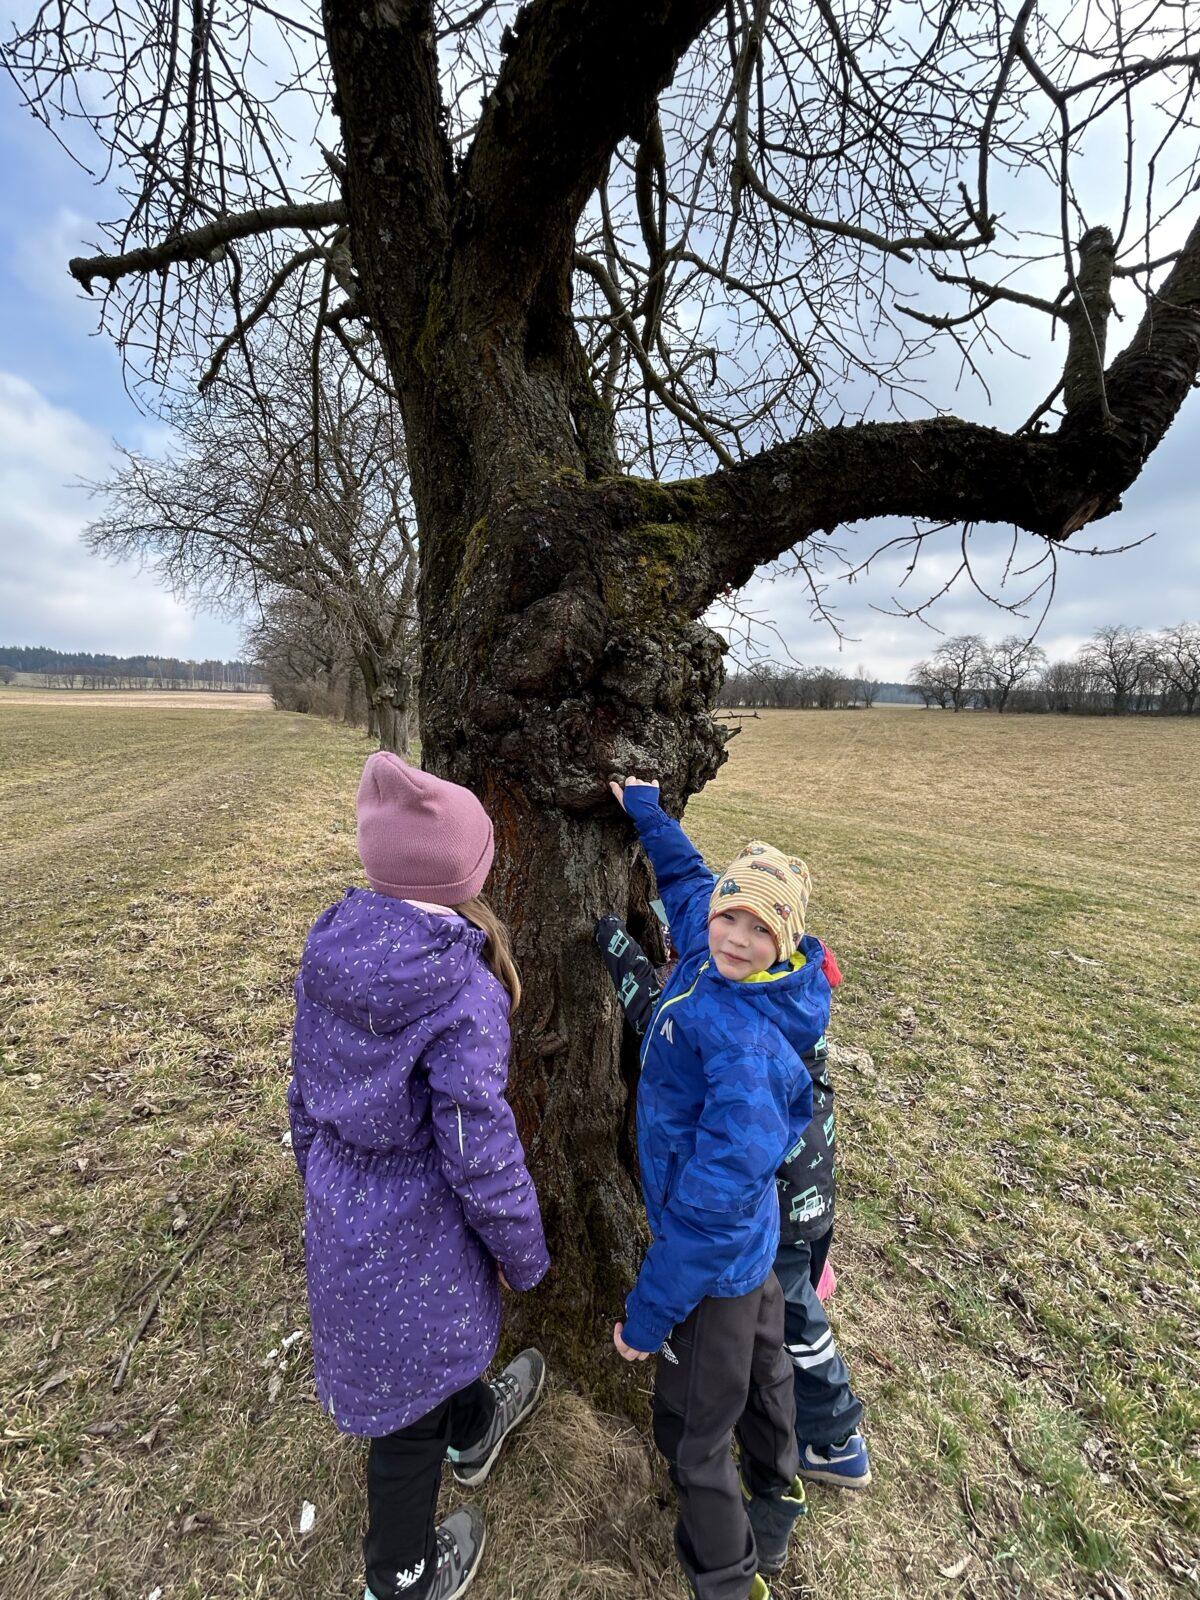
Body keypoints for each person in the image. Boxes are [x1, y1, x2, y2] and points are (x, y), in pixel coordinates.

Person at [288, 751, 550, 1600]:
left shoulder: (329, 947)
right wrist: (524, 1249)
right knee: (403, 1427)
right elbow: (480, 1150)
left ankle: (472, 1430)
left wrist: (319, 1179)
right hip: (423, 1226)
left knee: (431, 1347)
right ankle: (400, 1579)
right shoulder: (465, 992)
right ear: (464, 875)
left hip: (343, 1208)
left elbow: (303, 1090)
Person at [607, 775, 831, 1600]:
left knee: (694, 1435)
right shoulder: (714, 955)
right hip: (754, 1250)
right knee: (768, 1369)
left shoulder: (748, 1052)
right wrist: (647, 813)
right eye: (729, 917)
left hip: (710, 1266)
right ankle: (780, 1487)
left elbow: (707, 1213)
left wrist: (645, 1317)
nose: (735, 934)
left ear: (787, 941)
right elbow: (690, 879)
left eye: (758, 927)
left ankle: (730, 1577)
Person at [597, 923, 871, 1494]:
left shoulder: (747, 1030)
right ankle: (787, 1457)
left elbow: (664, 1027)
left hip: (778, 1198)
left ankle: (835, 1436)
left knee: (788, 1311)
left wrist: (629, 968)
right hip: (805, 1185)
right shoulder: (789, 994)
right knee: (784, 1312)